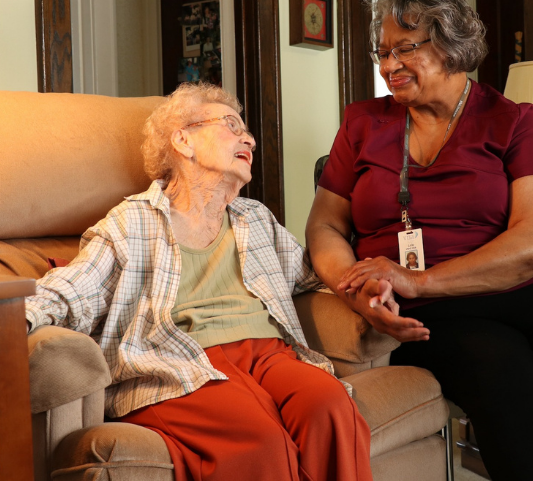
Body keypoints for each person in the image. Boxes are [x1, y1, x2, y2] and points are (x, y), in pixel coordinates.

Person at [306, 0, 533, 481]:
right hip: (440, 315)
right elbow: (324, 227)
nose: (388, 66)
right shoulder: (361, 124)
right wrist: (355, 289)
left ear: (450, 45)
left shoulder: (514, 121)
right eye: (382, 52)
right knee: (500, 377)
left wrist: (416, 279)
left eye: (404, 49)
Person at [25, 82, 372, 481]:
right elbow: (73, 289)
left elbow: (313, 278)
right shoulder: (133, 221)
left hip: (271, 353)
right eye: (231, 125)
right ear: (184, 140)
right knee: (258, 439)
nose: (250, 140)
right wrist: (19, 316)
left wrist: (364, 285)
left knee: (330, 406)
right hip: (180, 360)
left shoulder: (255, 218)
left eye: (246, 130)